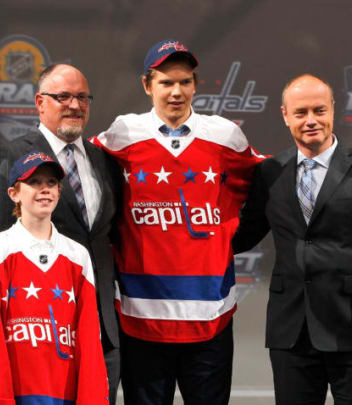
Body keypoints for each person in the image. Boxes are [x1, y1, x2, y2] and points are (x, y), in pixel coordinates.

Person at [92, 39, 262, 405]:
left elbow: (264, 187)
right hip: (141, 316)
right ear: (147, 85)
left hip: (209, 317)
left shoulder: (225, 136)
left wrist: (229, 239)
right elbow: (82, 177)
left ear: (195, 85)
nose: (176, 91)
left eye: (185, 82)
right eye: (166, 82)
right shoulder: (122, 134)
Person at [232, 74, 352, 405]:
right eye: (301, 113)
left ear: (332, 110)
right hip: (291, 332)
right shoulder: (270, 172)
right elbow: (244, 234)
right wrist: (186, 241)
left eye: (319, 110)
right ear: (285, 115)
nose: (311, 120)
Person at [0, 63, 121, 403]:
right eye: (63, 97)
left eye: (82, 97)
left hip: (101, 329)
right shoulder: (10, 156)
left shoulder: (104, 160)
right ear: (39, 103)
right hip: (38, 330)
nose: (74, 105)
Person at [0, 151, 108, 404]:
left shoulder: (77, 256)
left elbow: (90, 339)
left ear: (59, 191)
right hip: (13, 394)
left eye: (51, 183)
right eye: (34, 182)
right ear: (14, 193)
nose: (44, 189)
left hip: (64, 394)